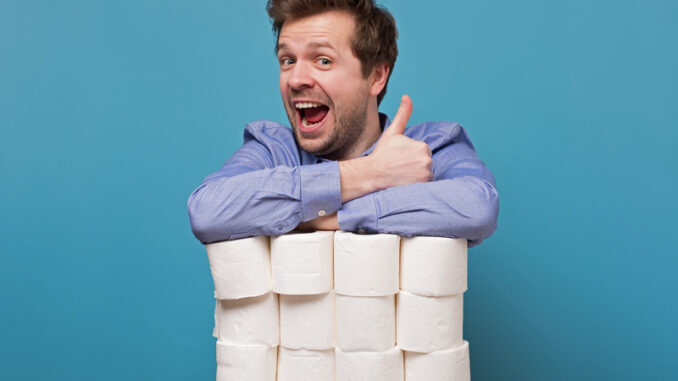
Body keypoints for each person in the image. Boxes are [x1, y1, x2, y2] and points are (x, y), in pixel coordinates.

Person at [187, 0, 499, 247]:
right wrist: (371, 173)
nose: (295, 79)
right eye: (288, 60)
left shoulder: (428, 149)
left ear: (376, 75)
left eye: (323, 60)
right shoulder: (272, 151)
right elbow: (208, 211)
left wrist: (323, 218)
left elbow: (476, 208)